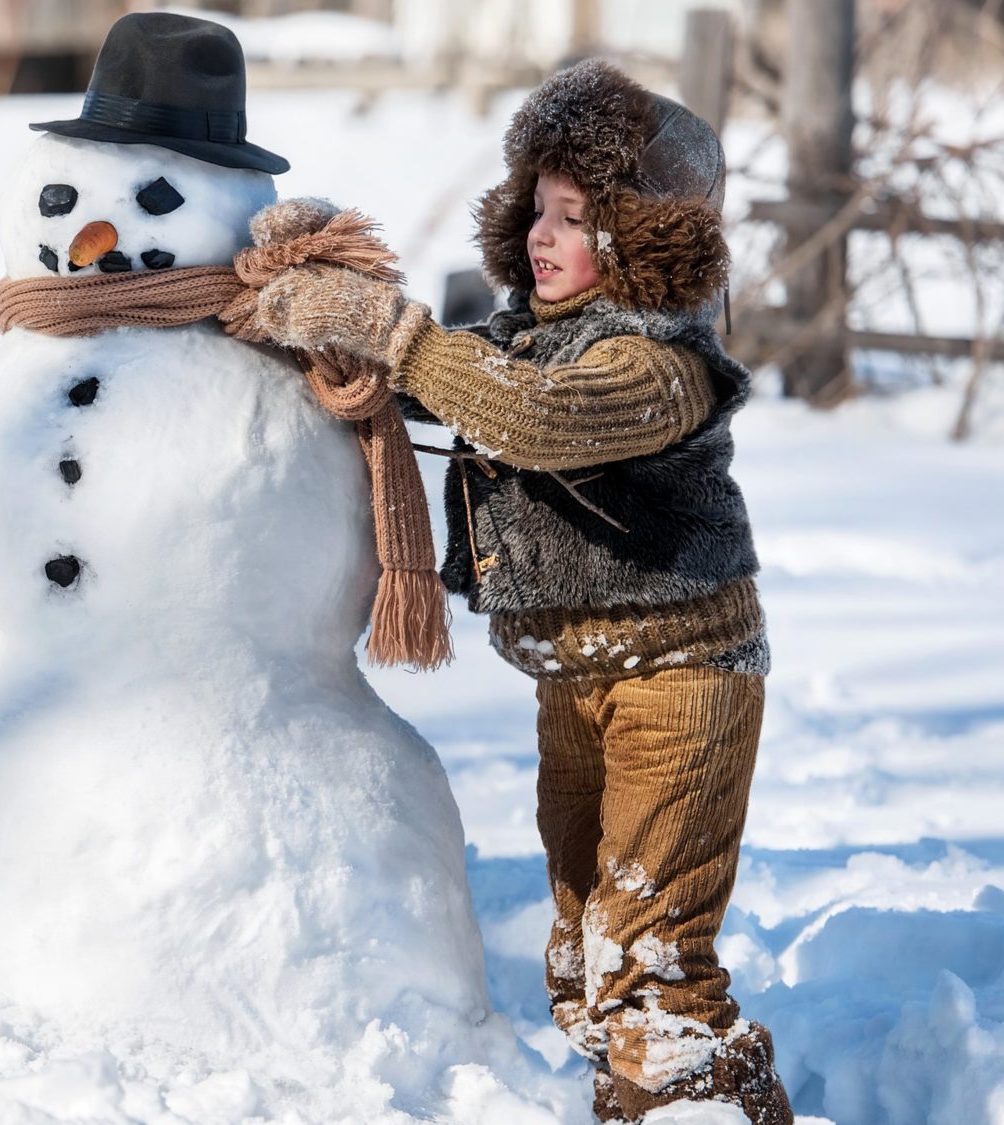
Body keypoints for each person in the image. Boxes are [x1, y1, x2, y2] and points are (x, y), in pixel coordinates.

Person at [225, 62, 790, 1124]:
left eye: (572, 217)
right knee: (583, 969)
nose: (540, 233)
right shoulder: (525, 336)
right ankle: (639, 1105)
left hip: (678, 685)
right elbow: (449, 375)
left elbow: (531, 417)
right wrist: (317, 281)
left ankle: (706, 1104)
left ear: (634, 235)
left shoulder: (656, 363)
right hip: (571, 685)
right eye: (534, 206)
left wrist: (393, 328)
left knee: (648, 969)